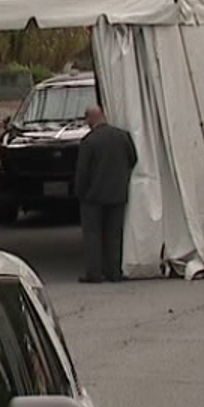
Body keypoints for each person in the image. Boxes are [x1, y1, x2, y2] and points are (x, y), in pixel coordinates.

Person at [73, 104, 136, 283]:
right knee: (114, 235)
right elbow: (133, 159)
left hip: (93, 196)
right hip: (117, 193)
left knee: (93, 234)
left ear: (90, 119)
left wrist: (80, 192)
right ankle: (114, 272)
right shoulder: (122, 137)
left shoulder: (89, 141)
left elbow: (82, 172)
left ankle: (94, 273)